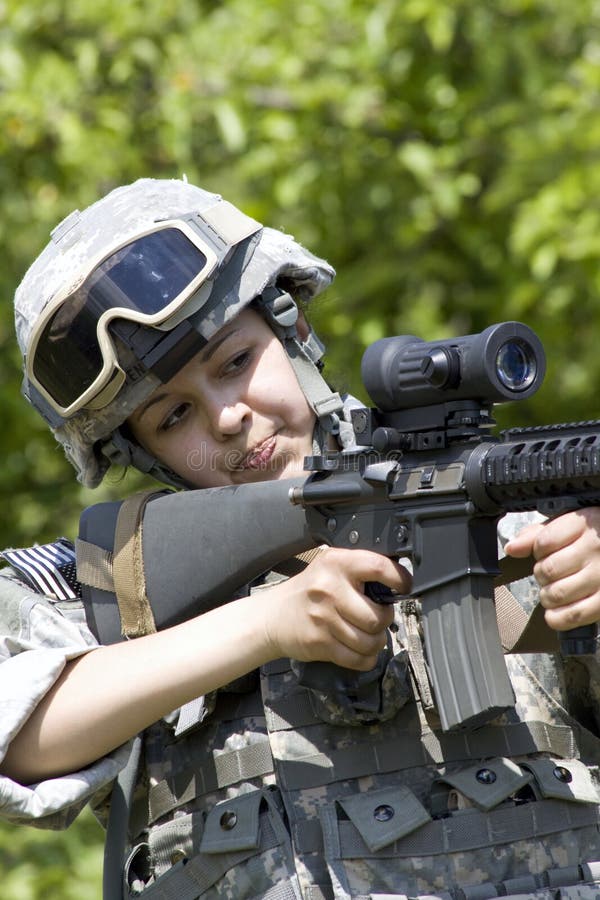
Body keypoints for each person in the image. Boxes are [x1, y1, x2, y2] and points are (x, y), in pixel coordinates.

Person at [1, 177, 599, 900]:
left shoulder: (517, 531)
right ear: (140, 455)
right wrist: (264, 624)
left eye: (236, 362)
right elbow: (22, 733)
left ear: (295, 332)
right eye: (173, 416)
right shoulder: (116, 591)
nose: (227, 417)